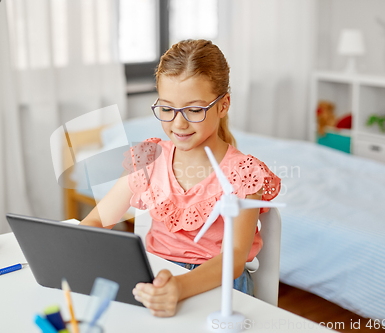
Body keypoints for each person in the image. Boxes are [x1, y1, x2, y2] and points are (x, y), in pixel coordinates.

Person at [80, 39, 281, 317]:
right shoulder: (149, 158)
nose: (178, 123)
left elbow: (234, 258)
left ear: (223, 105)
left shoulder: (243, 173)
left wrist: (179, 286)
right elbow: (98, 220)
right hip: (157, 277)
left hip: (219, 286)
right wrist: (70, 245)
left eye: (194, 110)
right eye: (167, 108)